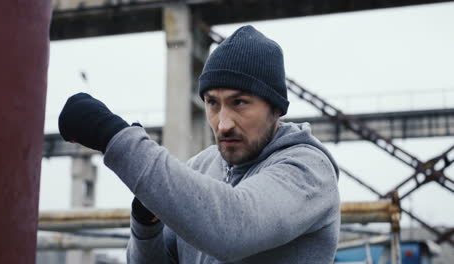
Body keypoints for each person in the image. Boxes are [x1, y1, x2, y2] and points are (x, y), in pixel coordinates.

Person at [58, 25, 340, 264]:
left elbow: (232, 228)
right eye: (212, 103)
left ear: (276, 108)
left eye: (239, 102)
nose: (223, 123)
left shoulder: (308, 171)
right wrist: (146, 224)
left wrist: (113, 135)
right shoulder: (203, 165)